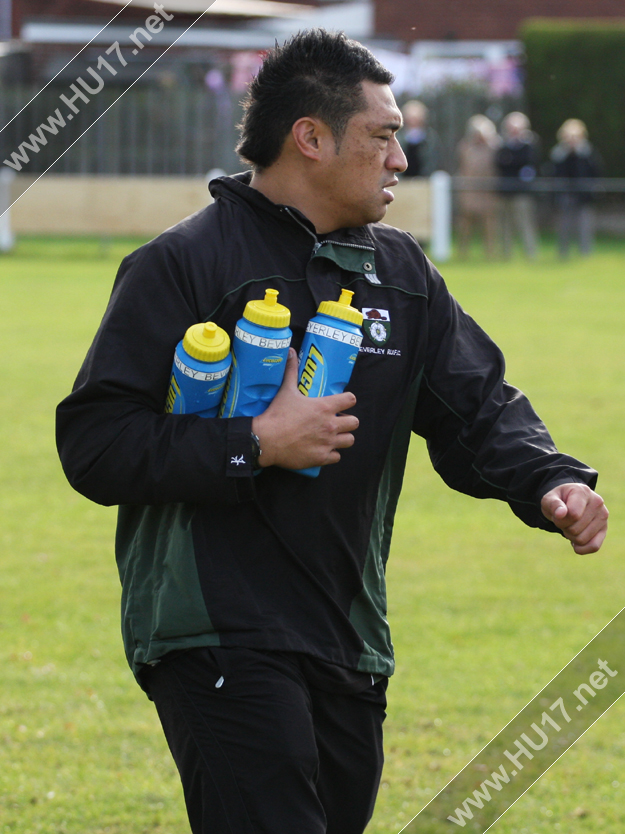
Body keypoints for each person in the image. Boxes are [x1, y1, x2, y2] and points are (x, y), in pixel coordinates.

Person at [55, 30, 608, 834]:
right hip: (213, 628)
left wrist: (546, 479)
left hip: (346, 634)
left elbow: (474, 402)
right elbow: (96, 443)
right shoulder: (183, 264)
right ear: (309, 138)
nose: (400, 158)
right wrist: (255, 441)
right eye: (381, 136)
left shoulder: (401, 275)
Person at [549, 118, 602, 258]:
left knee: (585, 226)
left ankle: (585, 253)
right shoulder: (559, 153)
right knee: (564, 225)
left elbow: (595, 172)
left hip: (583, 195)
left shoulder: (587, 152)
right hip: (565, 194)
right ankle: (563, 253)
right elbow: (555, 173)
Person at [496, 111, 540, 259]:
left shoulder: (529, 145)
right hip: (505, 191)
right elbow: (500, 164)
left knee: (525, 223)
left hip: (522, 192)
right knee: (505, 225)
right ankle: (506, 254)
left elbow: (527, 164)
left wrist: (511, 161)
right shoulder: (503, 145)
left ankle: (530, 253)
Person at [455, 114, 501, 258]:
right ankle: (462, 252)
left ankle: (490, 252)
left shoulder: (494, 147)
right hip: (469, 191)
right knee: (465, 223)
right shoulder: (465, 147)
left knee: (489, 223)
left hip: (488, 191)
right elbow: (463, 167)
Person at [399, 99, 439, 177]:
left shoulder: (431, 139)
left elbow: (433, 161)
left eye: (416, 119)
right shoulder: (398, 138)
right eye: (410, 119)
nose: (413, 122)